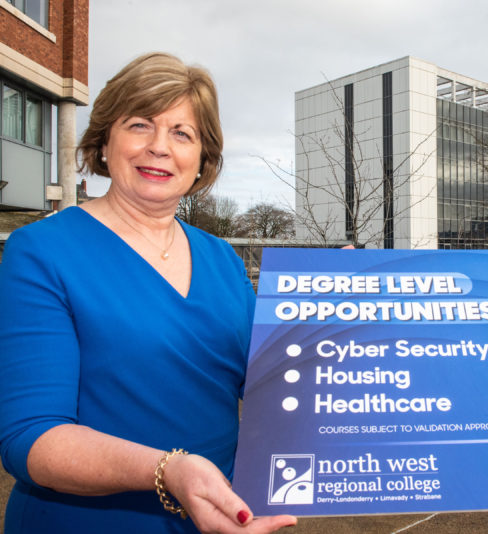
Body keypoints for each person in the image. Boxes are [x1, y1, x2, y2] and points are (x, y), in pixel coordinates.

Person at [0, 53, 296, 533]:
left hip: (216, 516)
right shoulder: (41, 252)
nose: (160, 147)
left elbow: (271, 385)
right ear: (104, 140)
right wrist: (168, 470)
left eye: (183, 133)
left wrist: (331, 297)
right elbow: (32, 438)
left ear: (202, 158)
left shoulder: (222, 259)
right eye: (140, 125)